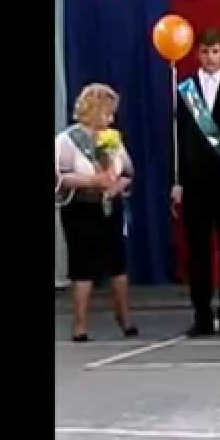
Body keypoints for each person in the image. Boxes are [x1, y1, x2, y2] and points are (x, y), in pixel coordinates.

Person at [171, 29, 220, 337]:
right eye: (205, 51)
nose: (211, 57)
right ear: (197, 54)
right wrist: (177, 181)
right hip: (195, 182)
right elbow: (178, 139)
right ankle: (201, 315)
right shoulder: (184, 89)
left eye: (215, 51)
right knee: (198, 252)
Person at [55, 83, 137, 342]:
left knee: (117, 263)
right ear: (94, 110)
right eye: (107, 112)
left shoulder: (112, 138)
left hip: (109, 206)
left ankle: (124, 317)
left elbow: (128, 173)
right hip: (80, 208)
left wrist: (114, 187)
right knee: (82, 265)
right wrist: (93, 181)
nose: (111, 119)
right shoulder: (67, 140)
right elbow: (62, 177)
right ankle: (79, 325)